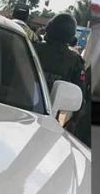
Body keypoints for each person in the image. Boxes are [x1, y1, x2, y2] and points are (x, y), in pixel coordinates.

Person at [35, 13, 88, 143]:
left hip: (23, 109)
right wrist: (72, 122)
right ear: (70, 36)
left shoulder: (32, 49)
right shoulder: (75, 61)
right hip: (51, 120)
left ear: (50, 29)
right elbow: (80, 98)